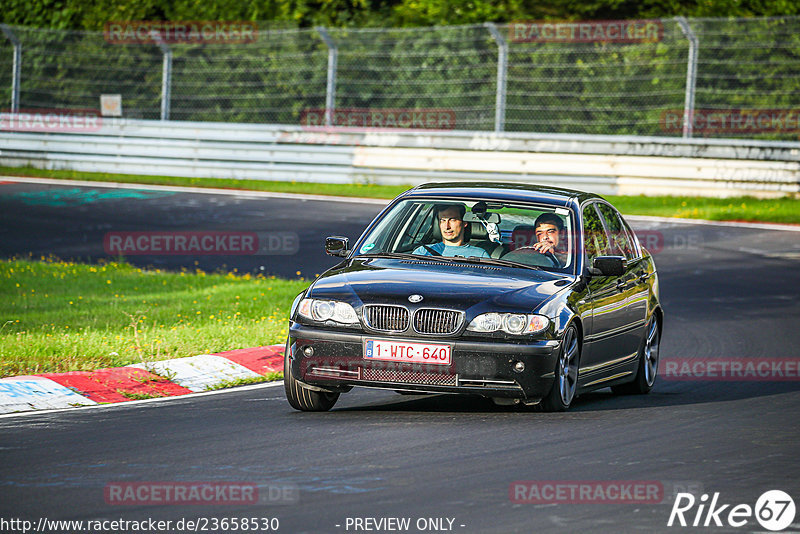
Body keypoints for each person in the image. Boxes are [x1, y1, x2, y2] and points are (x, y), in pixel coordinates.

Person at [413, 204, 490, 258]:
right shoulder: (423, 252)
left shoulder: (480, 255)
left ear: (464, 222)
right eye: (443, 220)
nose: (447, 226)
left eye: (452, 220)